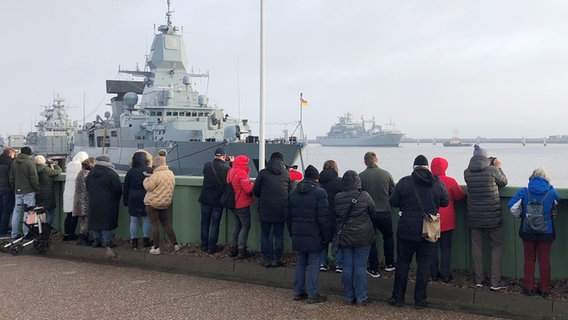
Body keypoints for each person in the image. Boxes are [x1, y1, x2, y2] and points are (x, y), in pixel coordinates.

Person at [388, 155, 449, 309]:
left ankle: (398, 298)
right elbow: (445, 201)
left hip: (406, 229)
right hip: (427, 230)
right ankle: (420, 300)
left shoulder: (404, 182)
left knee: (403, 264)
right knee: (424, 265)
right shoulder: (436, 182)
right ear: (427, 166)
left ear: (413, 166)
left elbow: (393, 202)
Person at [507, 168, 560, 298]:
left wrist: (522, 216)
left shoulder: (524, 191)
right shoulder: (551, 192)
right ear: (546, 179)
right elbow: (558, 201)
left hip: (527, 230)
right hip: (546, 231)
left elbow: (511, 206)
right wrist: (551, 188)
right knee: (544, 260)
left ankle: (529, 288)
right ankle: (544, 289)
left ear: (531, 178)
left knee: (529, 259)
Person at [464, 144, 509, 290]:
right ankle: (495, 282)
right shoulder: (492, 170)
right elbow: (504, 182)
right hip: (492, 216)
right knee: (496, 246)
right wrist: (498, 166)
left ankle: (478, 280)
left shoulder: (467, 173)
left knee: (476, 246)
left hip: (475, 216)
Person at [287, 165, 331, 304]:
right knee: (314, 263)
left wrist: (292, 232)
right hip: (315, 234)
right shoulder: (320, 193)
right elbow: (323, 218)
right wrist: (326, 236)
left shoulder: (293, 193)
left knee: (301, 262)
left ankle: (299, 291)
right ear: (317, 178)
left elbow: (288, 216)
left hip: (298, 233)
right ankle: (313, 293)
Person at [335, 170, 377, 305]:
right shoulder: (364, 196)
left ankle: (348, 296)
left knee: (347, 266)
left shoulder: (338, 197)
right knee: (360, 266)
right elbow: (373, 212)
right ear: (357, 181)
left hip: (346, 235)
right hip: (363, 235)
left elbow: (337, 214)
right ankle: (361, 297)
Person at [359, 151, 396, 278]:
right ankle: (390, 263)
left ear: (365, 162)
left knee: (371, 241)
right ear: (376, 160)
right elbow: (393, 192)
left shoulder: (361, 177)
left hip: (368, 214)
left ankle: (373, 269)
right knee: (388, 237)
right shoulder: (386, 174)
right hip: (385, 212)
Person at [253, 151, 292, 267]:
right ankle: (276, 259)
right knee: (279, 235)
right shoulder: (286, 174)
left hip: (265, 209)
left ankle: (266, 259)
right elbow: (290, 191)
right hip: (281, 210)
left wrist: (264, 197)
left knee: (265, 235)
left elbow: (255, 190)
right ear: (282, 161)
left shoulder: (263, 173)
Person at [429, 157, 465, 283]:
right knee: (446, 248)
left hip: (431, 219)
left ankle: (433, 273)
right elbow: (460, 196)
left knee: (432, 248)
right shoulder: (450, 181)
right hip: (447, 220)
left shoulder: (427, 181)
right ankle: (445, 274)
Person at [143, 149, 182, 255]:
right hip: (165, 203)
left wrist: (146, 179)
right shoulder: (170, 173)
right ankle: (175, 244)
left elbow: (149, 187)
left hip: (153, 203)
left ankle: (156, 248)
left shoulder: (155, 175)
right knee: (166, 224)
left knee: (154, 225)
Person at [86, 154, 122, 257]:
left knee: (95, 221)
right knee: (106, 223)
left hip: (94, 201)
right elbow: (117, 189)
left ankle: (96, 241)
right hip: (108, 202)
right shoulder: (111, 173)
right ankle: (107, 243)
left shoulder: (91, 173)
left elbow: (87, 186)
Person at [198, 147, 232, 254]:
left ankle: (204, 245)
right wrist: (231, 163)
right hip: (217, 200)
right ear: (224, 156)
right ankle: (212, 248)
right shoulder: (226, 169)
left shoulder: (207, 165)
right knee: (214, 224)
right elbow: (230, 178)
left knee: (204, 223)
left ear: (214, 156)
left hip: (205, 199)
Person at [123, 150, 154, 250]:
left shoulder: (130, 172)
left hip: (133, 198)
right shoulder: (150, 170)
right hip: (146, 197)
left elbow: (126, 188)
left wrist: (125, 201)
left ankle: (134, 241)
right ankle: (146, 240)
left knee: (134, 220)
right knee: (146, 219)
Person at [226, 155, 254, 259]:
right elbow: (247, 189)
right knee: (246, 226)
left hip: (233, 203)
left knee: (237, 225)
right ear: (242, 164)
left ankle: (232, 248)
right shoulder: (242, 173)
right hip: (242, 203)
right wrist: (253, 185)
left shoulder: (231, 171)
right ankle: (242, 249)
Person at [318, 160, 343, 273]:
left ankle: (322, 263)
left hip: (322, 216)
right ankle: (339, 264)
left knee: (323, 240)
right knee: (336, 240)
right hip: (337, 215)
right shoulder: (340, 182)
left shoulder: (319, 183)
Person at [9, 146, 40, 239]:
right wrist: (37, 189)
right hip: (29, 191)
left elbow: (11, 178)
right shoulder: (30, 162)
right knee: (28, 212)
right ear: (29, 154)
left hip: (17, 191)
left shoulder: (14, 162)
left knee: (16, 212)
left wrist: (15, 187)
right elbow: (34, 178)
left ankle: (14, 234)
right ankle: (26, 234)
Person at [62, 151, 89, 241]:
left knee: (68, 215)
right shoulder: (80, 166)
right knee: (74, 215)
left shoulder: (69, 165)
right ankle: (72, 235)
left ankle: (66, 235)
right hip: (76, 193)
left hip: (67, 193)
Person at [34, 155, 62, 229]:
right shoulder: (46, 170)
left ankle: (38, 228)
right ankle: (47, 228)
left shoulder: (32, 169)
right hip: (48, 194)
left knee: (38, 212)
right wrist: (55, 165)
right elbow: (59, 171)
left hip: (37, 194)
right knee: (51, 212)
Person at [73, 157, 94, 246]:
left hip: (78, 199)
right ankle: (82, 238)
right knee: (86, 221)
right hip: (85, 200)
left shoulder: (80, 173)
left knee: (83, 220)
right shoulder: (88, 175)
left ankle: (83, 238)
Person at [0, 147, 15, 237]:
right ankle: (3, 231)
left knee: (0, 210)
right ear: (10, 154)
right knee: (6, 211)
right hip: (7, 190)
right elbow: (12, 177)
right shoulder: (10, 162)